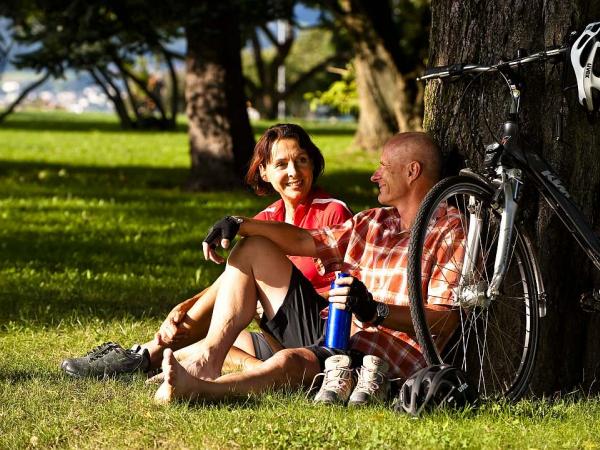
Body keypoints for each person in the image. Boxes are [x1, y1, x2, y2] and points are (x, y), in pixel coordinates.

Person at [153, 131, 464, 405]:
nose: (374, 175)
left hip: (378, 360)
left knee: (291, 361)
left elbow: (446, 322)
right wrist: (239, 223)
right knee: (253, 247)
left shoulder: (450, 230)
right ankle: (206, 359)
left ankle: (205, 390)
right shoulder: (374, 221)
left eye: (383, 166)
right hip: (334, 332)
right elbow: (303, 239)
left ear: (412, 172)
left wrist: (375, 310)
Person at [60, 123, 353, 378]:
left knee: (224, 324)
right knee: (220, 339)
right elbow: (230, 281)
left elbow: (351, 290)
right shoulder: (267, 217)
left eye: (302, 160)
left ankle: (145, 355)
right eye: (281, 164)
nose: (294, 172)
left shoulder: (332, 211)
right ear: (263, 172)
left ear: (313, 164)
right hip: (281, 333)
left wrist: (263, 299)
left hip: (323, 332)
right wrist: (186, 305)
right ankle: (249, 368)